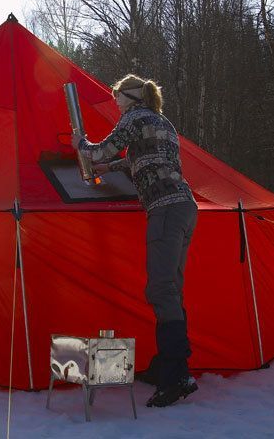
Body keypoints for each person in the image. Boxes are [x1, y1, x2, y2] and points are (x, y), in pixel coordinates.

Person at [71, 73, 199, 408]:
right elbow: (138, 159)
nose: (114, 101)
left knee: (160, 289)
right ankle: (167, 365)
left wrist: (81, 146)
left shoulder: (134, 117)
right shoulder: (159, 121)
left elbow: (101, 150)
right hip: (185, 208)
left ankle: (175, 376)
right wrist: (113, 167)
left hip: (166, 210)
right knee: (171, 287)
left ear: (130, 97)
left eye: (116, 96)